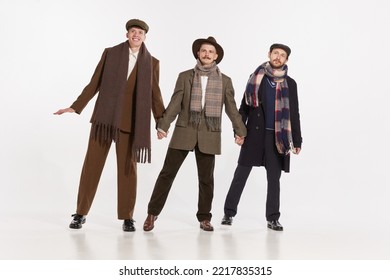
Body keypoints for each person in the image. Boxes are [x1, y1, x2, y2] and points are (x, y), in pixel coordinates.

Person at [54, 19, 165, 232]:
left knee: (127, 170)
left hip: (130, 123)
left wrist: (161, 123)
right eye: (133, 31)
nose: (136, 35)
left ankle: (127, 217)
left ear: (145, 37)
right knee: (91, 167)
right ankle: (80, 213)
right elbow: (94, 82)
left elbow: (155, 95)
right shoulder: (110, 53)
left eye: (140, 32)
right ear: (127, 34)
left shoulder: (152, 63)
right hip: (104, 120)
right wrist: (75, 106)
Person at [142, 36, 247, 232]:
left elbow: (232, 109)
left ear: (216, 56)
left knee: (206, 179)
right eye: (203, 50)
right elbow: (175, 103)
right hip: (184, 130)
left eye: (211, 51)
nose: (207, 54)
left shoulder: (225, 81)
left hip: (209, 133)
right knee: (167, 174)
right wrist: (163, 126)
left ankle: (204, 217)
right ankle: (152, 213)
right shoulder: (185, 76)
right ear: (198, 53)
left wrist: (240, 131)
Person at [221, 43, 302, 231]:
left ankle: (273, 218)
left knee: (274, 179)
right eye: (276, 53)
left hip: (278, 139)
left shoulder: (291, 84)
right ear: (269, 54)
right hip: (254, 135)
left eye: (282, 55)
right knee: (240, 174)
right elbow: (244, 108)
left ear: (286, 60)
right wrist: (239, 132)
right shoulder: (256, 78)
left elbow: (294, 114)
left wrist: (297, 140)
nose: (278, 57)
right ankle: (228, 213)